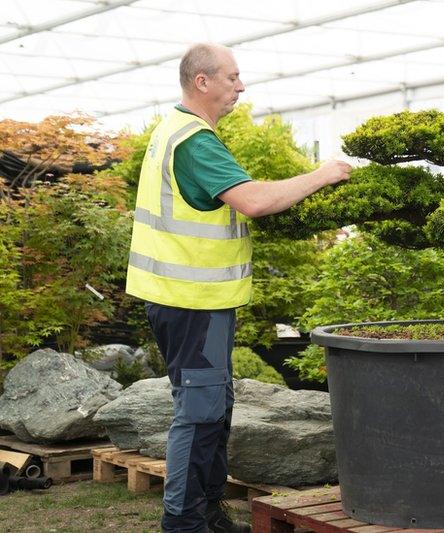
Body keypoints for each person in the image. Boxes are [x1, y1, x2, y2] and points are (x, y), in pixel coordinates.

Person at [125, 43, 351, 533]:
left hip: (187, 300)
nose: (241, 86)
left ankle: (207, 512)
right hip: (192, 302)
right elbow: (253, 200)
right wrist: (324, 173)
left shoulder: (175, 130)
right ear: (202, 81)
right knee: (200, 413)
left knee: (211, 408)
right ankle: (184, 523)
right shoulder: (194, 141)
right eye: (232, 77)